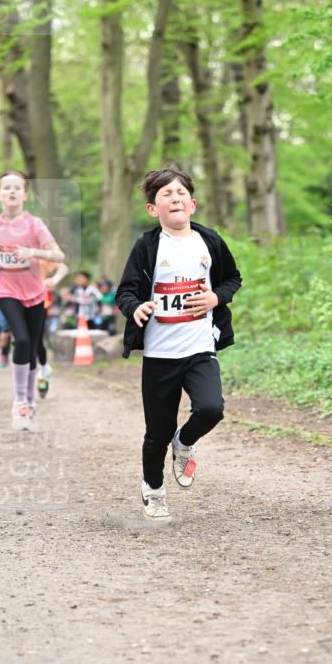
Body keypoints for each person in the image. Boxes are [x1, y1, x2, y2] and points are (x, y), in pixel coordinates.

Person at [115, 166, 242, 521]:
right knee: (156, 433)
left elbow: (233, 278)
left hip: (200, 346)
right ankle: (153, 489)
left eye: (181, 192)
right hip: (160, 354)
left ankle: (184, 442)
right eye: (166, 194)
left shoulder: (210, 241)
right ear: (153, 209)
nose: (175, 197)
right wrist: (136, 306)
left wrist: (216, 297)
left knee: (211, 408)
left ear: (193, 203)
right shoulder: (147, 247)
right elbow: (125, 291)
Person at [0, 170, 65, 431]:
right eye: (6, 187)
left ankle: (30, 403)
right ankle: (19, 402)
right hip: (5, 290)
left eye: (17, 187)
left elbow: (58, 255)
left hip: (35, 292)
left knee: (31, 349)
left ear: (25, 195)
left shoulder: (34, 224)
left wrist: (32, 252)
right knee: (23, 339)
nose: (11, 191)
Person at [36, 257, 69, 399]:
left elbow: (63, 267)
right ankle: (24, 387)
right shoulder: (9, 250)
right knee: (22, 341)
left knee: (37, 341)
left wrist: (54, 280)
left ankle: (43, 371)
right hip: (15, 301)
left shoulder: (37, 254)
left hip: (39, 301)